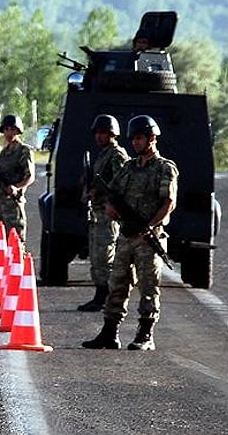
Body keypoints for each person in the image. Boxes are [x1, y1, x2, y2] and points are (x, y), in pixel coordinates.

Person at [82, 115, 178, 351]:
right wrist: (111, 209)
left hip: (148, 237)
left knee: (148, 286)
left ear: (152, 139)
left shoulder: (165, 167)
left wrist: (151, 225)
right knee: (117, 283)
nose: (135, 143)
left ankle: (145, 334)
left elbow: (169, 202)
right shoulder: (128, 167)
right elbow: (111, 193)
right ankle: (109, 333)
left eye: (139, 138)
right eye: (133, 138)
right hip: (126, 235)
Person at [77, 114, 129, 312]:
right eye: (97, 133)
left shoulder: (116, 155)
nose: (99, 137)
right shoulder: (103, 154)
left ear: (112, 134)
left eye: (103, 133)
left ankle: (106, 296)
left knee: (104, 255)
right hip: (98, 211)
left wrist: (101, 191)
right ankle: (100, 294)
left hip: (109, 212)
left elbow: (121, 182)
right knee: (96, 255)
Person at [0, 114, 35, 244]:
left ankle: (18, 264)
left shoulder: (24, 151)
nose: (9, 133)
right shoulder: (4, 152)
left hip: (13, 202)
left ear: (18, 131)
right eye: (6, 129)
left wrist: (17, 187)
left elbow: (30, 176)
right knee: (2, 240)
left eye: (12, 129)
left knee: (16, 239)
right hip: (1, 202)